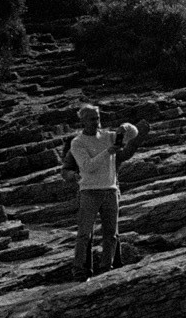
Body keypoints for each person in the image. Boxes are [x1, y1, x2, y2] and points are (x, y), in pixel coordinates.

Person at [58, 103, 140, 279]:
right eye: (92, 119)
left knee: (111, 234)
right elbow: (87, 167)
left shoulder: (108, 136)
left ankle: (106, 268)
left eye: (98, 118)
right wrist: (108, 152)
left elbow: (134, 134)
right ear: (83, 121)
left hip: (110, 190)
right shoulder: (77, 143)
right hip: (89, 191)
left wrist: (126, 127)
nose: (96, 122)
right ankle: (80, 271)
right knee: (84, 234)